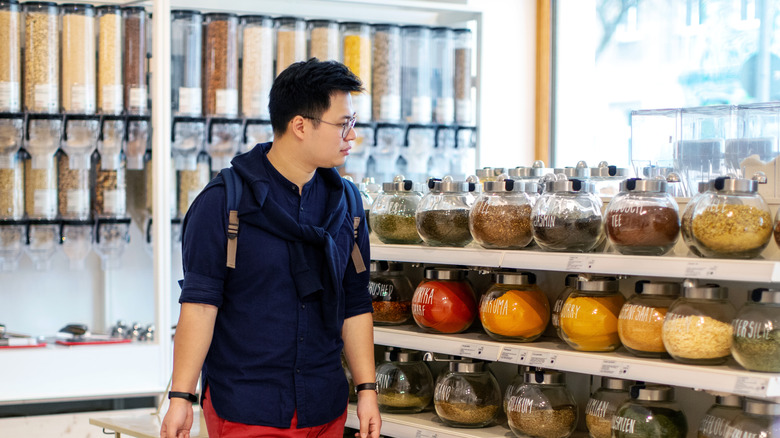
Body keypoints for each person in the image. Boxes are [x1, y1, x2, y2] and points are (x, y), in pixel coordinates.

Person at [160, 59, 381, 438]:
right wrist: (181, 397)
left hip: (325, 406)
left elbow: (355, 302)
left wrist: (367, 391)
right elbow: (199, 306)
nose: (352, 135)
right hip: (246, 408)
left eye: (353, 122)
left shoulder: (347, 203)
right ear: (300, 125)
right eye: (343, 124)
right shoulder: (223, 202)